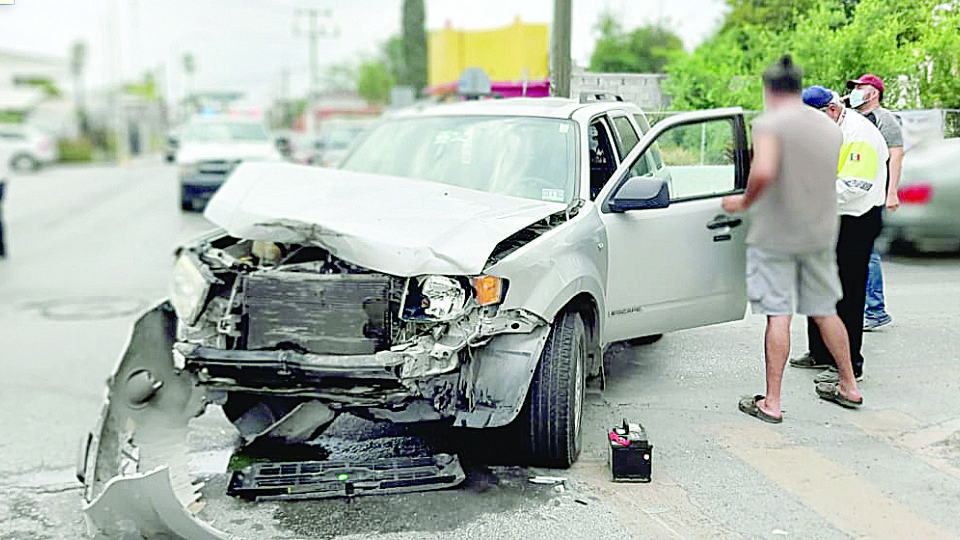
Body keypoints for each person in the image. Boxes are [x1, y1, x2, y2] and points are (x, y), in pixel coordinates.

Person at [722, 56, 862, 423]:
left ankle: (772, 402)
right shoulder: (830, 127)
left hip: (778, 233)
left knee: (779, 314)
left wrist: (744, 201)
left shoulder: (770, 124)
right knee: (824, 310)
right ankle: (849, 385)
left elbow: (765, 171)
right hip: (819, 229)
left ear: (769, 89)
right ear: (798, 88)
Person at [789, 86, 887, 385]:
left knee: (847, 292)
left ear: (831, 111)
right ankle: (819, 352)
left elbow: (856, 185)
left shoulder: (860, 136)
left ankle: (848, 363)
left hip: (854, 219)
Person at [847, 74, 903, 330]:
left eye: (861, 87)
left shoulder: (885, 119)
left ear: (875, 92)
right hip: (856, 191)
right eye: (855, 87)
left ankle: (876, 310)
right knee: (859, 253)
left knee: (868, 253)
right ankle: (866, 308)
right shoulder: (854, 117)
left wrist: (892, 193)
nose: (857, 91)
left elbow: (896, 157)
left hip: (874, 195)